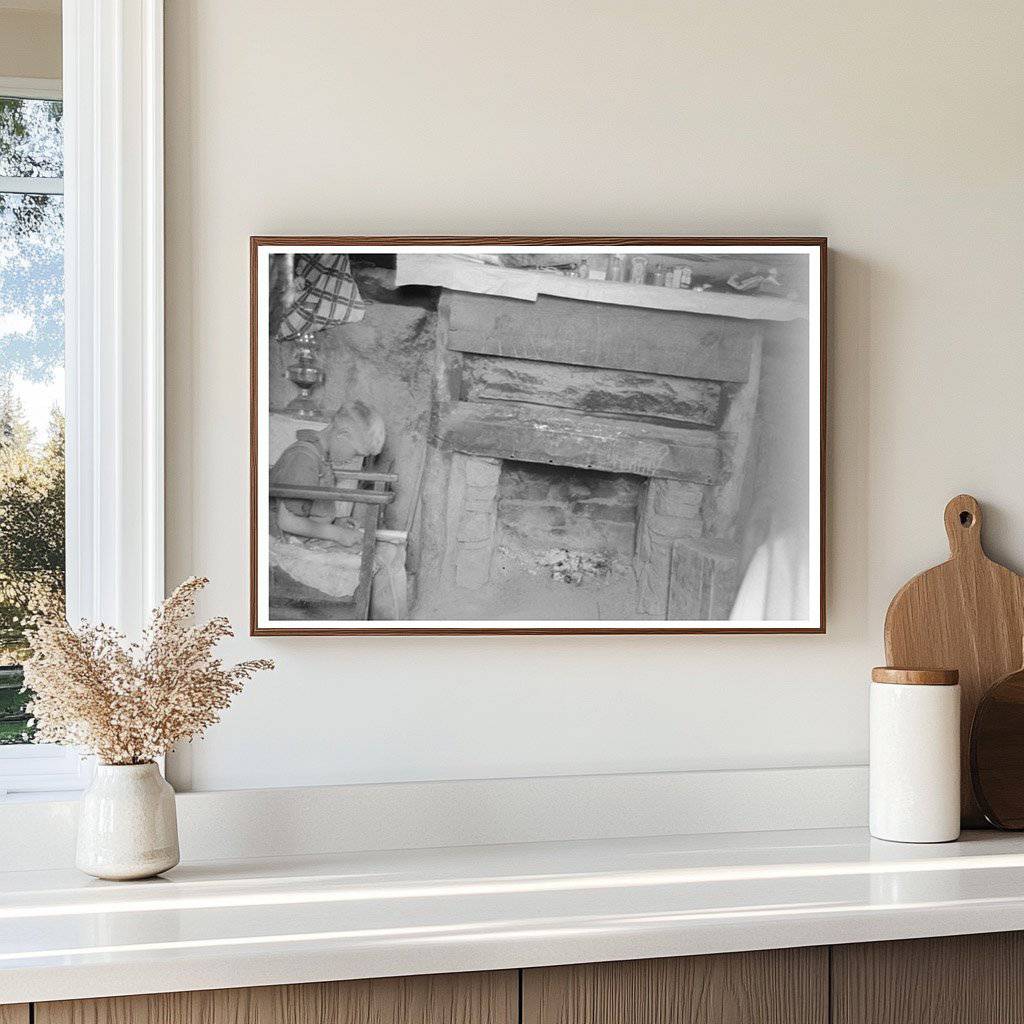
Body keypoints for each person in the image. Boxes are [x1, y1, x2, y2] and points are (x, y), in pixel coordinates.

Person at [271, 401, 386, 547]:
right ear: (343, 435)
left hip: (300, 539)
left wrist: (336, 523)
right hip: (279, 543)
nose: (353, 459)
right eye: (356, 453)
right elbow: (287, 522)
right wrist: (338, 533)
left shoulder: (321, 456)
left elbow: (309, 511)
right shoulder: (303, 457)